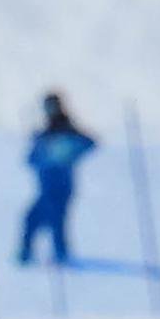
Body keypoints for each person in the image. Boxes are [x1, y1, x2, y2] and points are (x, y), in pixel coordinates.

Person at [18, 93, 97, 266]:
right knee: (33, 218)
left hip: (60, 187)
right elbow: (31, 159)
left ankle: (61, 257)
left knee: (55, 221)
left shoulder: (66, 129)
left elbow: (89, 143)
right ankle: (27, 255)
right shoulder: (46, 131)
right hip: (46, 187)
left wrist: (66, 151)